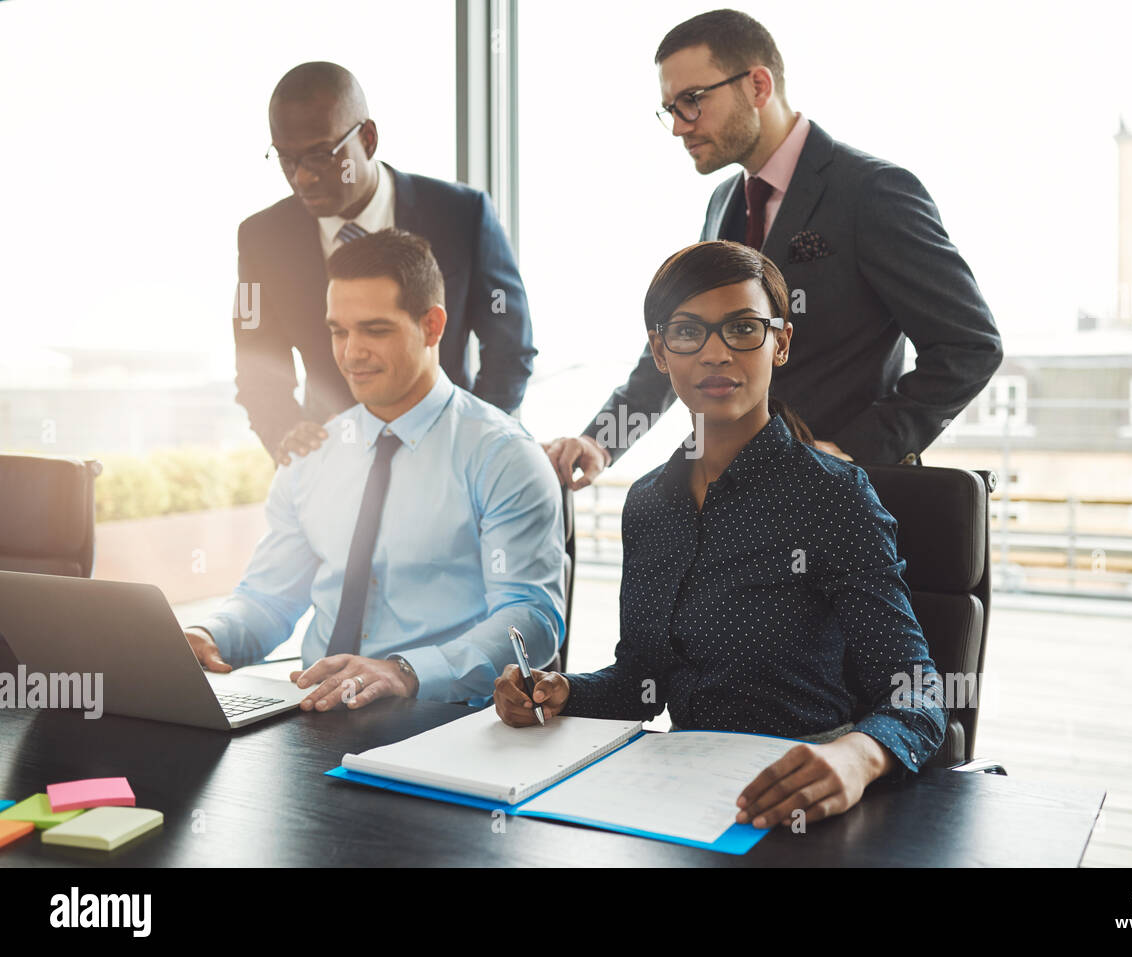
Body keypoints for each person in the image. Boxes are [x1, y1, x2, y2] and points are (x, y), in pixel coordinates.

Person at [497, 241, 946, 829]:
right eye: (688, 332)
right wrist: (561, 693)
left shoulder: (833, 495)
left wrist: (857, 757)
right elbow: (641, 683)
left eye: (743, 329)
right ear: (660, 351)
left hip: (803, 792)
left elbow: (918, 692)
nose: (715, 354)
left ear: (780, 343)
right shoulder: (650, 504)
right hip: (684, 792)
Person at [546, 9, 1002, 488]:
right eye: (671, 109)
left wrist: (853, 450)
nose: (680, 126)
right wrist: (601, 440)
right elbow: (684, 341)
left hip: (841, 509)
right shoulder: (724, 203)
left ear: (758, 86)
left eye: (692, 101)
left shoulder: (871, 191)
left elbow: (969, 346)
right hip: (737, 499)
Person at [190, 229, 564, 710]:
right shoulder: (313, 455)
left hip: (441, 719)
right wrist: (208, 635)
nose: (350, 353)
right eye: (339, 331)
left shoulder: (503, 455)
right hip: (311, 711)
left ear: (432, 326)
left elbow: (530, 619)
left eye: (375, 330)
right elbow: (269, 599)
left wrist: (405, 672)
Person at [236, 61, 536, 466]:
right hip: (330, 461)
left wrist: (468, 436)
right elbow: (254, 354)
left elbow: (509, 345)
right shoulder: (262, 240)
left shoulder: (463, 216)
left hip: (448, 455)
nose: (302, 177)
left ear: (368, 139)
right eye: (286, 159)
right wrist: (284, 430)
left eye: (321, 156)